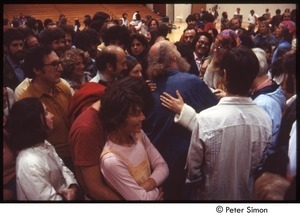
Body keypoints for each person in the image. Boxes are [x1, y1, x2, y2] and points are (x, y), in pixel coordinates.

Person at [185, 46, 272, 200]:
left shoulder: (206, 119)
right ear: (253, 78)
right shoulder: (264, 119)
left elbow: (193, 170)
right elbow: (259, 163)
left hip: (210, 196)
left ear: (224, 75)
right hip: (246, 196)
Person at [143, 40, 218, 200]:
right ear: (173, 57)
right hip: (183, 167)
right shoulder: (192, 82)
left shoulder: (145, 87)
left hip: (152, 165)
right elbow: (216, 116)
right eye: (176, 50)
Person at [99, 77, 169, 200]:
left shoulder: (137, 134)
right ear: (118, 118)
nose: (143, 117)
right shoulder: (111, 160)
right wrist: (155, 191)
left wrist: (147, 186)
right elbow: (142, 200)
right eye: (136, 114)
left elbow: (163, 166)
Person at [5, 97, 80, 200]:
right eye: (45, 113)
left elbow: (62, 168)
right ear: (33, 122)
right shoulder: (29, 163)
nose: (51, 115)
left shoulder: (43, 143)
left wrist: (72, 187)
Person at [18, 44, 74, 172]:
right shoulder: (27, 102)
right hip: (53, 163)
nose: (60, 68)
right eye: (54, 65)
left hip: (75, 153)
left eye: (60, 63)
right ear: (37, 70)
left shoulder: (62, 87)